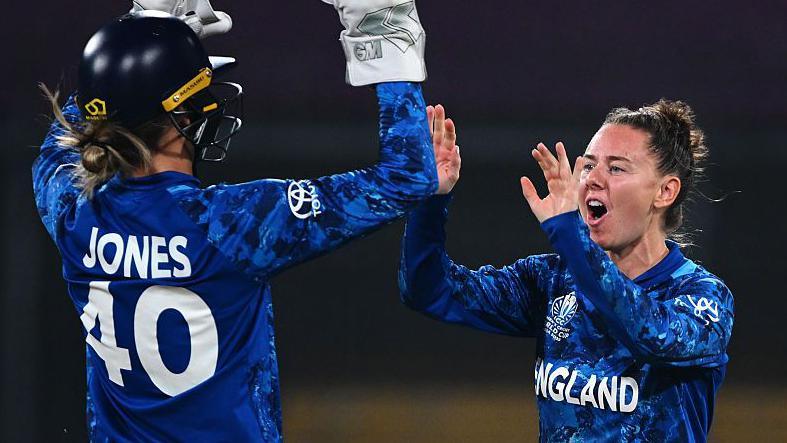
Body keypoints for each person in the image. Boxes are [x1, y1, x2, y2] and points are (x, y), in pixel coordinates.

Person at [33, 1, 438, 440]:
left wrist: (143, 32)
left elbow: (69, 134)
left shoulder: (75, 214)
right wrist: (383, 29)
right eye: (201, 94)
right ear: (181, 119)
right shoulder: (232, 222)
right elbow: (407, 177)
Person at [400, 100, 734, 441]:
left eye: (616, 169)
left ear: (665, 191)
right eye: (588, 166)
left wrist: (571, 236)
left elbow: (649, 335)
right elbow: (429, 290)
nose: (593, 180)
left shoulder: (703, 299)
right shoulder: (553, 281)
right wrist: (430, 200)